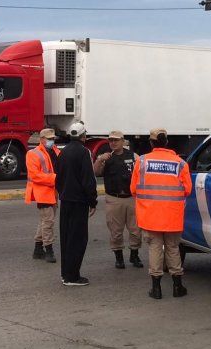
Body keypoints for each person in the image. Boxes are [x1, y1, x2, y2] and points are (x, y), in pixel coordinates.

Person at [130, 128, 192, 299]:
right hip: (172, 216)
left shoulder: (142, 161)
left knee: (155, 249)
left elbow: (133, 189)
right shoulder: (180, 164)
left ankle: (156, 289)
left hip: (150, 216)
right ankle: (177, 287)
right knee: (173, 248)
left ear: (151, 143)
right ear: (167, 142)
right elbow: (187, 190)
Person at [55, 121, 98, 286]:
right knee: (78, 239)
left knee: (66, 238)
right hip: (79, 202)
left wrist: (63, 193)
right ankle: (72, 276)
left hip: (66, 200)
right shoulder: (84, 152)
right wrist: (92, 201)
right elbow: (88, 180)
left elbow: (58, 177)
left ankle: (65, 273)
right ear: (83, 136)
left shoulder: (63, 152)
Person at [94, 130, 143, 270]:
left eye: (116, 140)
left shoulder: (133, 156)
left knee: (135, 230)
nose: (113, 143)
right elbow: (96, 172)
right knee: (116, 231)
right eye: (111, 140)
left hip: (131, 198)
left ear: (123, 141)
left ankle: (134, 255)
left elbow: (142, 174)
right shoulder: (106, 157)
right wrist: (100, 160)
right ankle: (119, 258)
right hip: (114, 198)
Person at [25, 128, 60, 263]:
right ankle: (49, 250)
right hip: (43, 193)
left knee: (44, 221)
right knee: (48, 222)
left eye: (53, 139)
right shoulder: (33, 154)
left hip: (53, 191)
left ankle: (38, 249)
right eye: (49, 139)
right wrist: (55, 178)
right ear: (41, 139)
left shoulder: (55, 151)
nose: (52, 141)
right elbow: (35, 175)